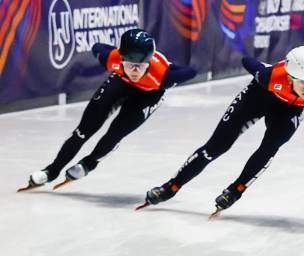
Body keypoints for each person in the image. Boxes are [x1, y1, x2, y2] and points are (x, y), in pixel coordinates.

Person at [140, 46, 304, 213]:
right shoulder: (271, 77)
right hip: (258, 97)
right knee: (216, 147)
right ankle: (170, 187)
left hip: (290, 110)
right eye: (302, 80)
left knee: (270, 148)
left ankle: (236, 190)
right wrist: (262, 69)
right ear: (289, 76)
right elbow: (247, 61)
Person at [18, 29, 196, 192]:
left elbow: (190, 71)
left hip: (149, 95)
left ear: (149, 61)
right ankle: (52, 170)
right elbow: (97, 47)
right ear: (121, 57)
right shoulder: (111, 58)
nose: (135, 70)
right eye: (130, 64)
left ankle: (89, 163)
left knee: (115, 133)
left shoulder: (164, 75)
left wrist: (168, 65)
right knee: (82, 131)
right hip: (120, 83)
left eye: (140, 66)